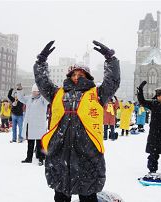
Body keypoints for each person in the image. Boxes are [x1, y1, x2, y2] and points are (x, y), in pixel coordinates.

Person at [33, 40, 120, 202]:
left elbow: (112, 82)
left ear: (87, 76)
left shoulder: (97, 94)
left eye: (80, 74)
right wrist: (41, 62)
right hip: (60, 152)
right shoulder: (57, 93)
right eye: (73, 74)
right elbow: (42, 82)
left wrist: (110, 59)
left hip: (87, 153)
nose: (76, 77)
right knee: (60, 195)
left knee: (87, 195)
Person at [17, 83, 48, 164]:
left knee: (39, 144)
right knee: (30, 143)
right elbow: (21, 98)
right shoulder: (29, 98)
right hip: (30, 125)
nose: (34, 93)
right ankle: (28, 158)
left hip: (39, 126)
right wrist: (19, 90)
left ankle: (41, 158)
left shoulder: (43, 99)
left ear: (39, 92)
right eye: (33, 91)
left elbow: (48, 99)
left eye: (35, 91)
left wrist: (44, 88)